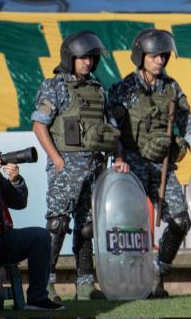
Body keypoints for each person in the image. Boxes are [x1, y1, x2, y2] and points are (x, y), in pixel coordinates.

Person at [108, 28, 191, 298]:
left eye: (164, 56)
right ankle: (130, 280)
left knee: (180, 221)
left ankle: (158, 271)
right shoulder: (123, 88)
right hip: (132, 163)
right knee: (131, 224)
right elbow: (113, 129)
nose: (161, 61)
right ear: (140, 56)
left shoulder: (172, 88)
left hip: (163, 164)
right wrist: (119, 158)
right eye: (155, 56)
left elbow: (187, 126)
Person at [31, 31, 126, 301]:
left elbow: (112, 127)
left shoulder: (98, 88)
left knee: (86, 226)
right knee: (58, 223)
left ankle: (85, 284)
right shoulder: (56, 86)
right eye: (82, 57)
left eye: (91, 58)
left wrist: (118, 157)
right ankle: (45, 284)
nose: (87, 62)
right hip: (67, 166)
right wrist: (58, 160)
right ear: (69, 58)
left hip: (95, 166)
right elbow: (40, 126)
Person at [0, 134, 64, 311]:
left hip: (2, 240)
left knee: (40, 236)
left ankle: (37, 298)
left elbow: (19, 203)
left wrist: (16, 181)